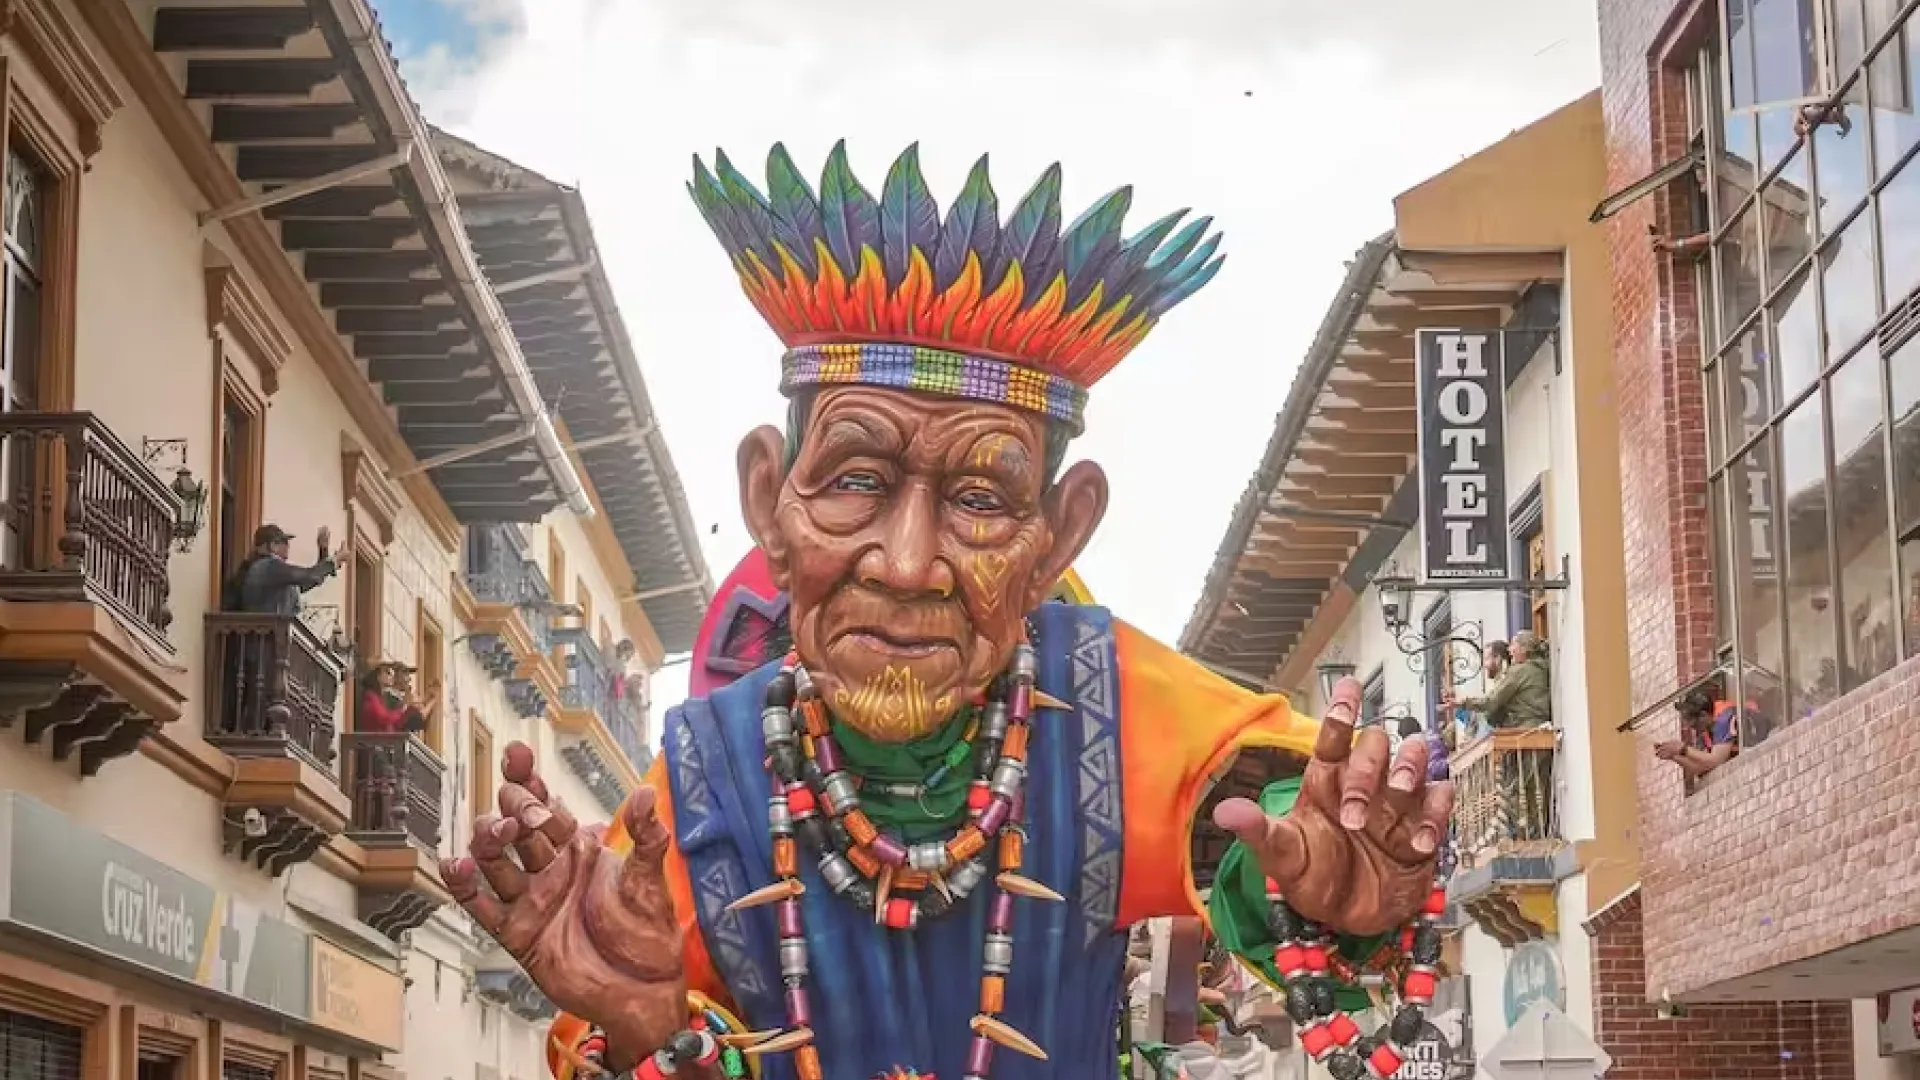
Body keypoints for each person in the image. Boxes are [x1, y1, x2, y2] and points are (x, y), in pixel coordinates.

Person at [440, 143, 1451, 1080]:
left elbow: (1262, 816)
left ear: (1058, 535)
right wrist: (652, 1023)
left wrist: (1327, 884)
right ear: (768, 499)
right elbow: (635, 1027)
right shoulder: (707, 781)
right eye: (856, 480)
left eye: (979, 499)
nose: (911, 563)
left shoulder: (1106, 701)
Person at [1447, 630, 1551, 728]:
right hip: (1539, 725)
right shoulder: (1539, 667)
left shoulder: (1520, 671)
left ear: (1524, 649)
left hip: (1524, 728)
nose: (1509, 650)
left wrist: (1464, 702)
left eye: (1513, 645)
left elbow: (1492, 701)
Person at [226, 524, 337, 616]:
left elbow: (308, 580)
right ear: (272, 545)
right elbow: (310, 576)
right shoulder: (268, 566)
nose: (288, 547)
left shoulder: (266, 569)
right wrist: (334, 561)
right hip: (267, 636)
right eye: (284, 542)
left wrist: (323, 552)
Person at [1655, 683, 1748, 780]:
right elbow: (1702, 768)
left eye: (1692, 722)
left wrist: (1683, 749)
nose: (1690, 727)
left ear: (1703, 715)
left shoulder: (1723, 718)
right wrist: (1674, 755)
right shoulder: (1705, 731)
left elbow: (1716, 760)